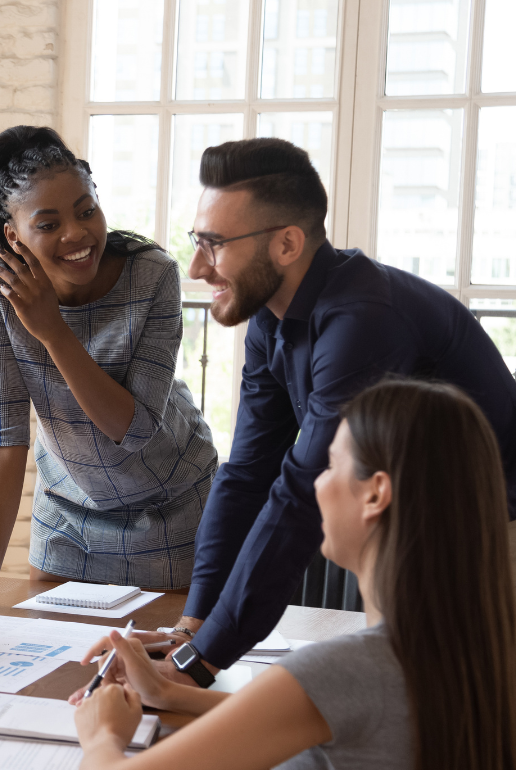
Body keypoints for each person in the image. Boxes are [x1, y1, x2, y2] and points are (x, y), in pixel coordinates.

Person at [146, 137, 516, 682]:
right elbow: (249, 473)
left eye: (214, 243)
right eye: (196, 240)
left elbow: (299, 493)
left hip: (491, 533)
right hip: (411, 526)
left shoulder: (362, 320)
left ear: (288, 244)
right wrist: (192, 628)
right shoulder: (271, 318)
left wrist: (198, 664)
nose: (197, 267)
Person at [74, 378, 516, 770]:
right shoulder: (472, 652)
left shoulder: (345, 668)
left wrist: (103, 736)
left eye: (331, 465)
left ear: (376, 493)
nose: (317, 484)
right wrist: (172, 695)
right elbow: (324, 713)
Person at [0, 126, 217, 615]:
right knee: (52, 674)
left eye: (86, 211)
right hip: (68, 519)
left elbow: (132, 429)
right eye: (47, 224)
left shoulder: (153, 276)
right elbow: (3, 436)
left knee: (157, 674)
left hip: (173, 512)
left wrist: (53, 331)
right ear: (14, 235)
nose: (76, 234)